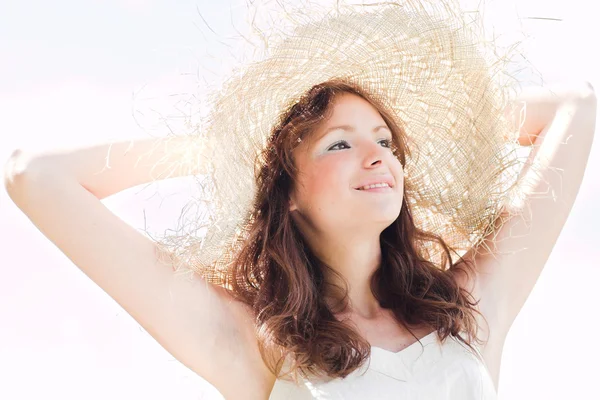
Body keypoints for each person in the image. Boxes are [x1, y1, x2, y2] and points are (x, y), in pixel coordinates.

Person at [3, 1, 597, 399]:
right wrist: (229, 150)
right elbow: (36, 176)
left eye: (387, 142)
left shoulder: (467, 309)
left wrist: (431, 126)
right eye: (341, 143)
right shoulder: (256, 341)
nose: (378, 156)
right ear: (283, 190)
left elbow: (575, 106)